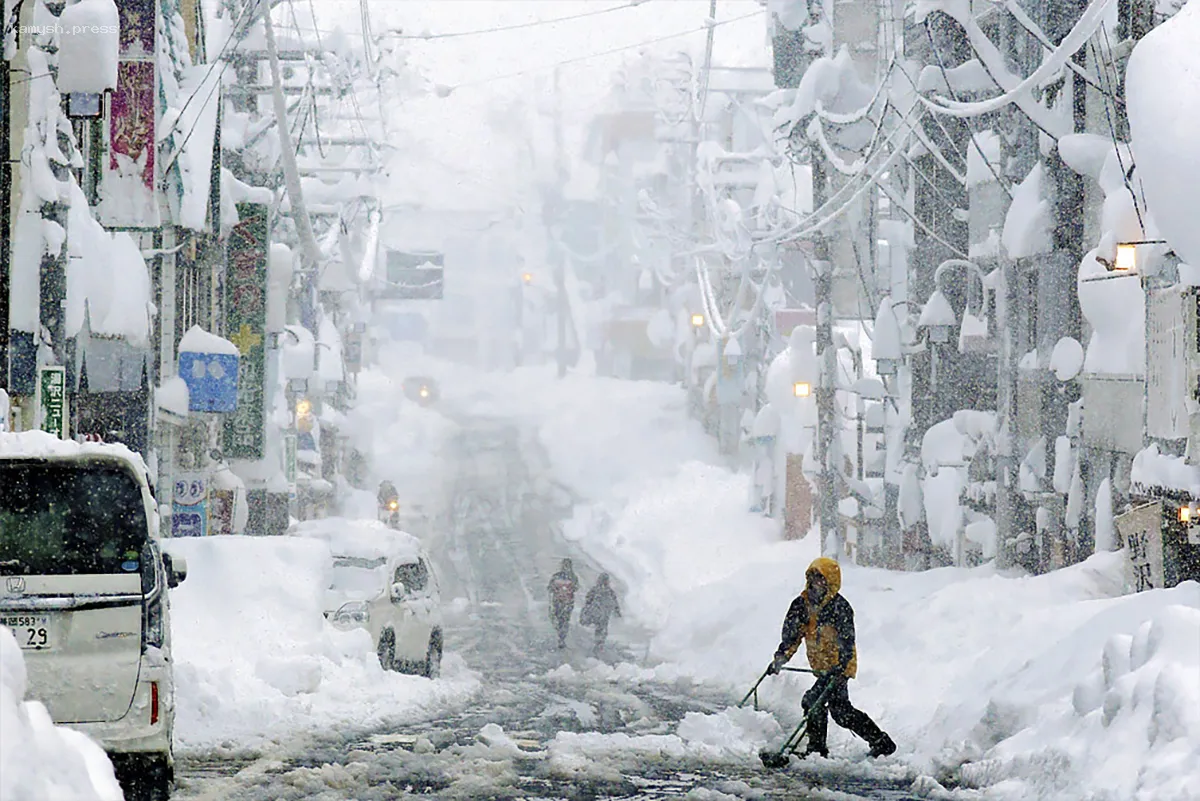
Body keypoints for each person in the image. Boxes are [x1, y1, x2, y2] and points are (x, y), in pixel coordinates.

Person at [766, 557, 896, 759]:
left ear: (830, 581)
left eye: (821, 578)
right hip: (823, 668)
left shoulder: (839, 607)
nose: (816, 583)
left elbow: (847, 640)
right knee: (841, 712)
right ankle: (881, 742)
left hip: (839, 667)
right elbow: (792, 636)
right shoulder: (801, 605)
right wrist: (781, 658)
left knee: (813, 701)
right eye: (813, 578)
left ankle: (816, 750)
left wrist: (841, 666)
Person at [580, 573, 621, 655]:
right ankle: (599, 644)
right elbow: (615, 602)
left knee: (599, 628)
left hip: (596, 613)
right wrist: (617, 611)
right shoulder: (609, 591)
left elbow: (588, 600)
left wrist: (586, 612)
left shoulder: (595, 590)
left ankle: (597, 644)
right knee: (602, 629)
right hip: (604, 614)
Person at [547, 558, 579, 649]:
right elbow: (576, 588)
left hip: (557, 601)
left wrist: (556, 590)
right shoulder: (573, 577)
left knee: (557, 617)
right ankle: (562, 636)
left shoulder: (556, 576)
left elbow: (550, 588)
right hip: (568, 602)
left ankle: (559, 632)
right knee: (565, 620)